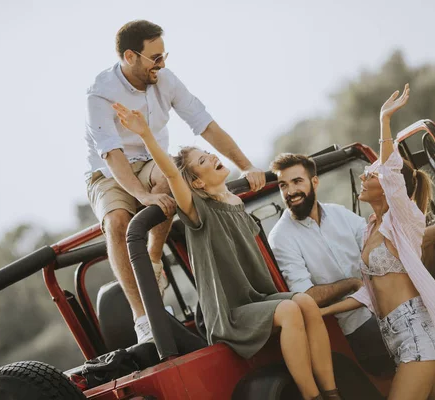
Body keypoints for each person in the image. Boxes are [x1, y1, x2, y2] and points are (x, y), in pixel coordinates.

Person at [111, 102, 342, 400]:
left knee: (307, 304)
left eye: (209, 155)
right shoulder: (198, 210)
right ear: (196, 182)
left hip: (258, 298)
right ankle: (313, 397)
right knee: (288, 309)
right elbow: (171, 174)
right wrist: (146, 135)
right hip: (229, 313)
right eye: (203, 162)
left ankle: (332, 392)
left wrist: (250, 168)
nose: (212, 158)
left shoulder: (236, 202)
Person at [84, 20, 265, 343]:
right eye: (155, 57)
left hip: (151, 160)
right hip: (109, 171)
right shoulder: (101, 94)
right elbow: (111, 154)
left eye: (164, 55)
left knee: (173, 181)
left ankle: (153, 260)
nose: (163, 63)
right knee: (117, 222)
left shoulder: (165, 80)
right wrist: (142, 195)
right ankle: (144, 318)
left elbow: (206, 125)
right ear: (129, 56)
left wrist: (247, 165)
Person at [319, 84, 435, 399]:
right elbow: (370, 294)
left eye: (368, 174)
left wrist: (384, 121)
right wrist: (320, 313)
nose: (362, 177)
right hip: (398, 339)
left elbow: (391, 172)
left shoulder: (402, 217)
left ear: (385, 187)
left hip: (418, 332)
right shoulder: (369, 230)